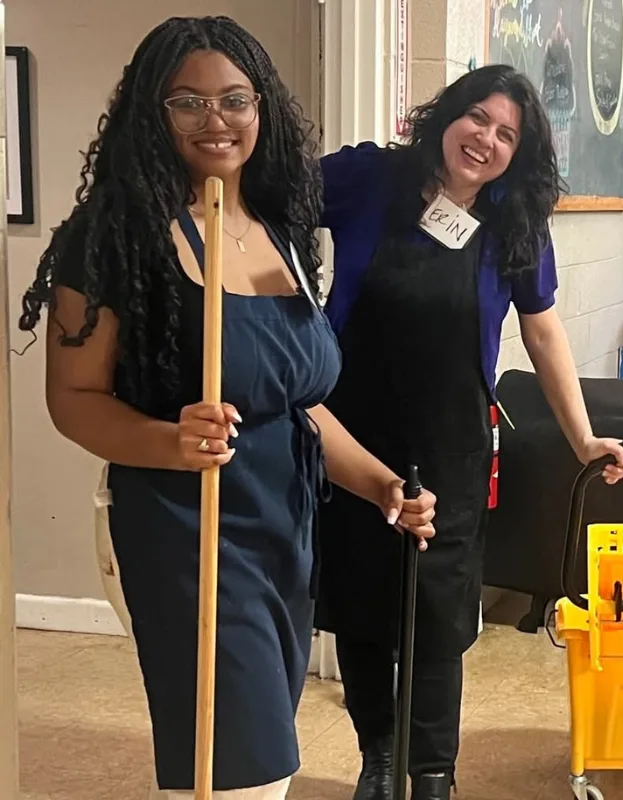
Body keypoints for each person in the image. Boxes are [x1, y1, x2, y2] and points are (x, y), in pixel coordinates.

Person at [18, 16, 436, 798]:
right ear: (153, 112)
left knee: (254, 752)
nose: (217, 120)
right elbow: (73, 401)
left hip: (284, 523)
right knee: (238, 768)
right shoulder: (114, 236)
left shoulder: (278, 232)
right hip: (186, 523)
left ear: (261, 109)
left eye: (235, 100)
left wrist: (379, 483)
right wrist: (172, 439)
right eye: (189, 102)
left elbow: (298, 402)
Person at [316, 64, 623, 800]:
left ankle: (432, 776)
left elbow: (545, 331)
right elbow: (268, 194)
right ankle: (379, 759)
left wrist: (584, 438)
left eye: (506, 134)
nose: (486, 140)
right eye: (478, 119)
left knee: (436, 618)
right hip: (350, 437)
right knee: (363, 610)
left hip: (451, 444)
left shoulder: (515, 221)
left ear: (517, 154)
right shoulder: (370, 178)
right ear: (448, 116)